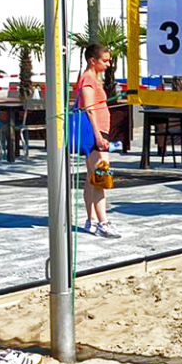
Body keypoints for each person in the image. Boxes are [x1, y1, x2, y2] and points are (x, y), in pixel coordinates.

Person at [76, 43, 121, 238]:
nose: (108, 64)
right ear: (92, 60)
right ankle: (103, 222)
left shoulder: (93, 78)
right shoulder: (88, 79)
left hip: (101, 131)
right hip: (97, 133)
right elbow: (89, 108)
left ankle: (92, 219)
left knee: (92, 178)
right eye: (105, 60)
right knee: (102, 177)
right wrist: (98, 136)